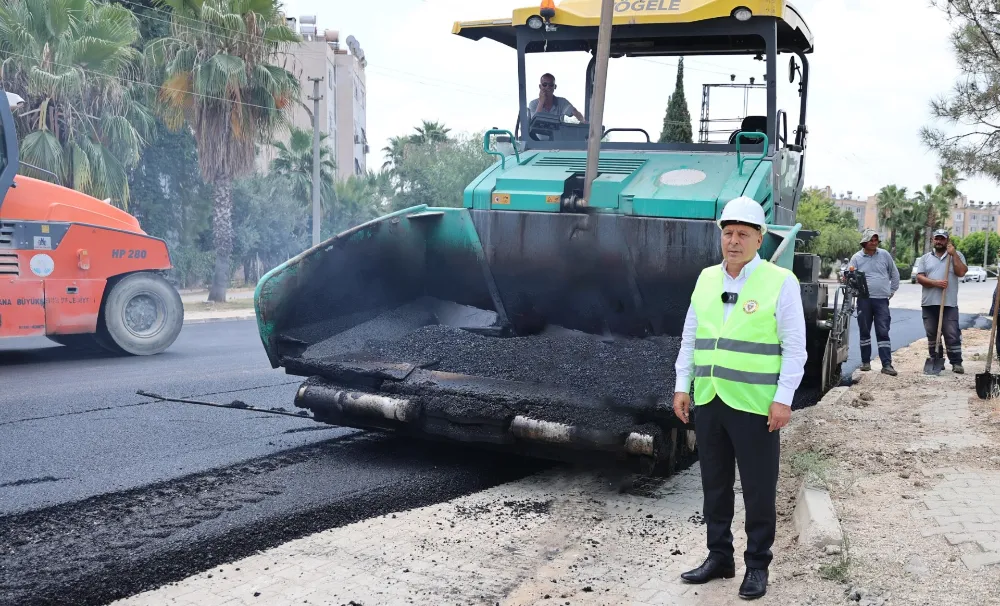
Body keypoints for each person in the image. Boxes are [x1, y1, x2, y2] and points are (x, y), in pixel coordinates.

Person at [672, 196, 807, 600]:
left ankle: (757, 565)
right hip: (711, 399)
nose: (734, 241)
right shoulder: (706, 279)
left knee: (758, 488)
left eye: (743, 234)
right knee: (714, 484)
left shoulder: (780, 282)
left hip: (755, 404)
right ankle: (719, 556)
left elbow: (795, 347)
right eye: (728, 233)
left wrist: (784, 399)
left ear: (759, 238)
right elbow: (690, 337)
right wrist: (683, 385)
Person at [915, 229, 968, 373]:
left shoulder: (956, 256)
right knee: (932, 334)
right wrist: (936, 283)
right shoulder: (925, 258)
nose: (939, 241)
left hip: (949, 303)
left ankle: (956, 362)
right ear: (933, 240)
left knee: (951, 333)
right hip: (929, 303)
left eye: (942, 239)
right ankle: (936, 360)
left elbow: (962, 272)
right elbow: (919, 278)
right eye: (937, 239)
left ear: (947, 240)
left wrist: (954, 254)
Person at [848, 229, 900, 375]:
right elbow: (849, 276)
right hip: (864, 300)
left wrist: (891, 291)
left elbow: (894, 274)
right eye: (871, 240)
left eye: (876, 240)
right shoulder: (856, 258)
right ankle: (865, 362)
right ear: (864, 242)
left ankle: (887, 364)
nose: (874, 242)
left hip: (881, 300)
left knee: (883, 331)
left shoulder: (884, 255)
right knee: (864, 331)